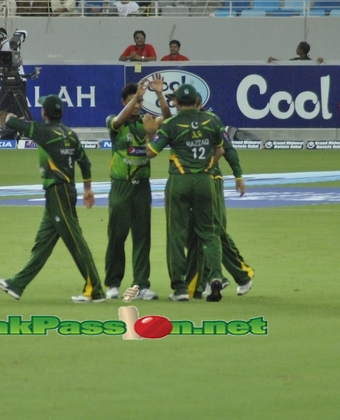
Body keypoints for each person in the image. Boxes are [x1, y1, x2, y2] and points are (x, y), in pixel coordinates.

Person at [0, 95, 106, 303]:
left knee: (75, 241)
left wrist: (9, 114)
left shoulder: (43, 131)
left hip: (58, 192)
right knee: (42, 243)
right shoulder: (70, 134)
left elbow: (10, 122)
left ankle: (95, 290)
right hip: (63, 191)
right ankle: (17, 284)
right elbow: (85, 162)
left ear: (44, 113)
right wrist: (88, 189)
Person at [143, 84, 226, 302]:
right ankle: (215, 276)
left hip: (179, 182)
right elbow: (220, 149)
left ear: (177, 103)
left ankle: (180, 289)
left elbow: (151, 153)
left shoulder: (171, 124)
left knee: (176, 235)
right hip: (205, 181)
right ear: (197, 101)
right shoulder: (212, 120)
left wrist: (150, 134)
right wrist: (207, 166)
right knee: (209, 232)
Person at [104, 75, 170, 301]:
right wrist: (138, 97)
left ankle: (141, 285)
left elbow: (169, 121)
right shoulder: (114, 121)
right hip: (120, 186)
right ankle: (113, 283)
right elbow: (118, 120)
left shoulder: (147, 121)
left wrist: (160, 95)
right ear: (124, 102)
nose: (137, 106)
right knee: (117, 236)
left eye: (140, 102)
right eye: (133, 101)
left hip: (142, 185)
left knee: (142, 237)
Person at [185, 114, 254, 299]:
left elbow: (227, 148)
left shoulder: (211, 120)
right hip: (189, 182)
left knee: (214, 231)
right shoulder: (179, 121)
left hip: (211, 180)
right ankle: (211, 277)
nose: (178, 105)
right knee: (197, 232)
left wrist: (238, 175)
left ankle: (241, 274)